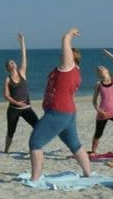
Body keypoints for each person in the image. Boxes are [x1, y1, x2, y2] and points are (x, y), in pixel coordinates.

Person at [27, 28, 91, 183]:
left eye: (65, 54)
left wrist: (69, 35)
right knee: (74, 144)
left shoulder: (68, 68)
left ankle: (35, 179)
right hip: (68, 113)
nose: (61, 55)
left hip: (58, 113)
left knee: (35, 142)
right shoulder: (75, 72)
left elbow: (65, 41)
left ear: (71, 57)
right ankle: (88, 173)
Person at [3, 33, 39, 153]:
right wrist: (17, 103)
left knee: (38, 127)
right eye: (11, 63)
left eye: (14, 62)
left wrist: (22, 42)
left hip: (27, 108)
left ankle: (36, 147)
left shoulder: (22, 73)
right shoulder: (8, 79)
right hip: (13, 109)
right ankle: (6, 150)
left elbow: (24, 56)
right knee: (11, 131)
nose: (13, 64)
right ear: (8, 68)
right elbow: (6, 95)